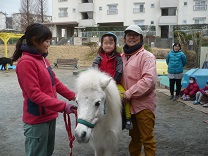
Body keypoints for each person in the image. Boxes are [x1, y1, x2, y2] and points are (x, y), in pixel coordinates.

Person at [12, 23, 77, 156]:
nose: (49, 44)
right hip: (37, 120)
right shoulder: (26, 62)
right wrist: (63, 106)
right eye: (47, 41)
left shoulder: (42, 59)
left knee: (47, 152)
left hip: (49, 116)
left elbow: (55, 83)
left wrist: (75, 96)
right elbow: (35, 95)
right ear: (35, 40)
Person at [121, 25, 157, 155]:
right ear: (125, 38)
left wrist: (129, 93)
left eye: (135, 35)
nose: (131, 37)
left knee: (147, 139)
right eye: (128, 35)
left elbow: (149, 80)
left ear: (140, 38)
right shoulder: (122, 57)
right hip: (129, 106)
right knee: (135, 138)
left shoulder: (147, 56)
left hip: (144, 106)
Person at [92, 32, 132, 130]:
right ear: (102, 45)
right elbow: (94, 67)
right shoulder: (99, 57)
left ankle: (128, 117)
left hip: (114, 83)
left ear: (115, 45)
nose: (108, 45)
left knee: (125, 96)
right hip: (100, 84)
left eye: (110, 43)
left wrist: (113, 81)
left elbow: (119, 70)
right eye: (105, 43)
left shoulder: (118, 58)